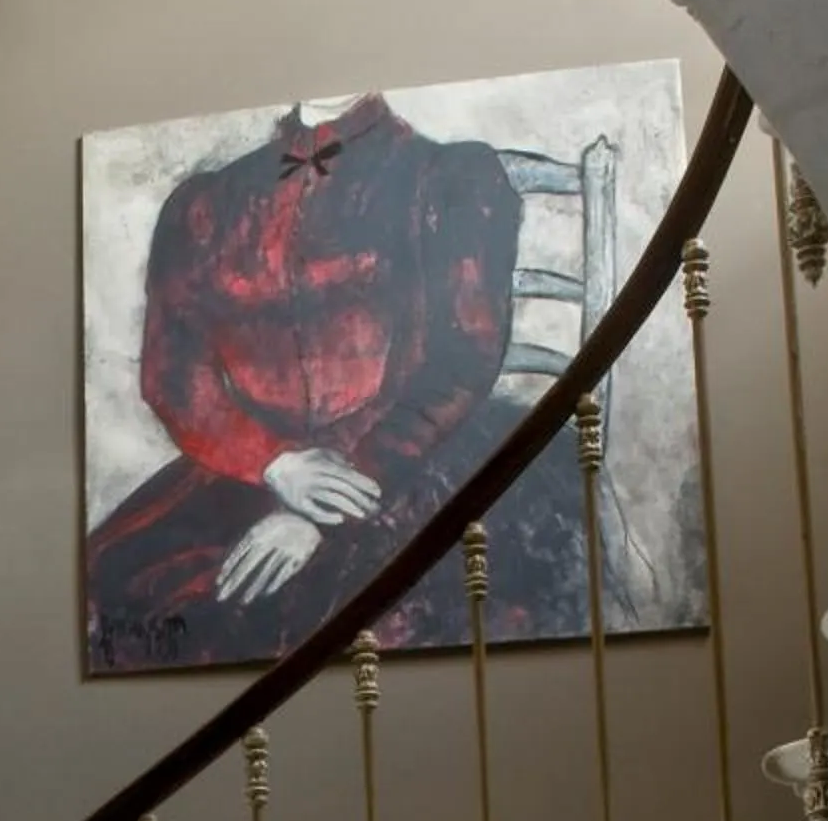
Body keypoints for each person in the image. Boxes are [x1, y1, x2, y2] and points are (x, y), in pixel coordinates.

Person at [85, 89, 591, 671]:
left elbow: (462, 360)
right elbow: (172, 373)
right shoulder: (206, 206)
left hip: (406, 458)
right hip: (256, 469)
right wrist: (276, 464)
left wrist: (319, 509)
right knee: (121, 592)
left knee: (341, 614)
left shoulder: (447, 178)